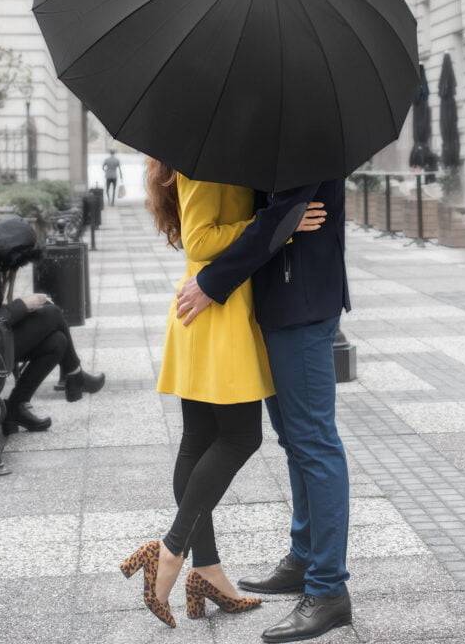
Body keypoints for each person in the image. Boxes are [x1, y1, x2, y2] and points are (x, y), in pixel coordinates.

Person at [121, 160, 327, 629]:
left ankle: (207, 569)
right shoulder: (209, 166)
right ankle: (172, 549)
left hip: (207, 307)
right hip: (217, 309)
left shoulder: (201, 157)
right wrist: (275, 223)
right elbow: (200, 239)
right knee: (240, 438)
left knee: (198, 441)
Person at [176, 179, 352, 644]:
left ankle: (329, 590)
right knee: (294, 441)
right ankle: (303, 559)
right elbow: (275, 219)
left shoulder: (307, 125)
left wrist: (211, 283)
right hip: (275, 302)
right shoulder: (278, 122)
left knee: (314, 443)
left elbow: (285, 214)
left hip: (304, 304)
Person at [0, 216, 105, 435]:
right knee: (52, 313)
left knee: (56, 342)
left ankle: (15, 408)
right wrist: (23, 305)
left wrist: (25, 306)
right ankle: (75, 374)